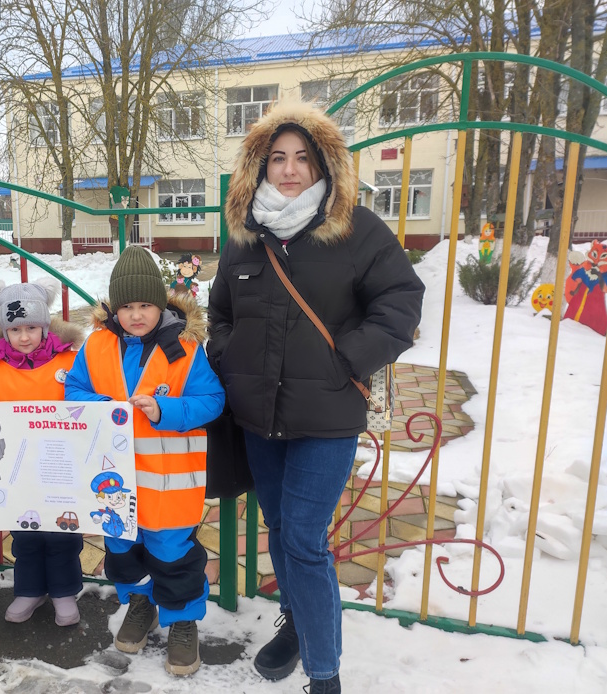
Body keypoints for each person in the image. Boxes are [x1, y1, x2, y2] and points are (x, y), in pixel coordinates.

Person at [207, 101, 425, 694]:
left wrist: (345, 360)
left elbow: (401, 303)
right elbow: (220, 313)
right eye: (277, 157)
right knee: (280, 527)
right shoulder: (245, 237)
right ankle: (298, 623)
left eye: (302, 157)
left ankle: (324, 675)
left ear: (323, 164)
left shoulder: (356, 229)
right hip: (259, 417)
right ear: (259, 166)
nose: (289, 169)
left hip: (326, 415)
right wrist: (231, 357)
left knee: (303, 539)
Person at [64, 245, 225, 677]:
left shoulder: (186, 348)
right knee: (122, 550)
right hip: (113, 482)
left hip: (168, 483)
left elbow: (212, 400)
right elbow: (73, 389)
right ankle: (141, 603)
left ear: (160, 304)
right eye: (127, 307)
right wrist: (101, 407)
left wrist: (164, 411)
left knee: (172, 554)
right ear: (114, 309)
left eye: (145, 306)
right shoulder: (97, 345)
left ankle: (182, 620)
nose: (136, 315)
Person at [0, 277, 85, 627]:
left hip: (60, 466)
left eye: (32, 327)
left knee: (62, 532)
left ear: (45, 326)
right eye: (15, 329)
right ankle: (29, 590)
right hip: (17, 469)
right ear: (4, 331)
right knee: (26, 533)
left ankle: (63, 591)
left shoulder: (69, 362)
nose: (25, 336)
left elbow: (85, 401)